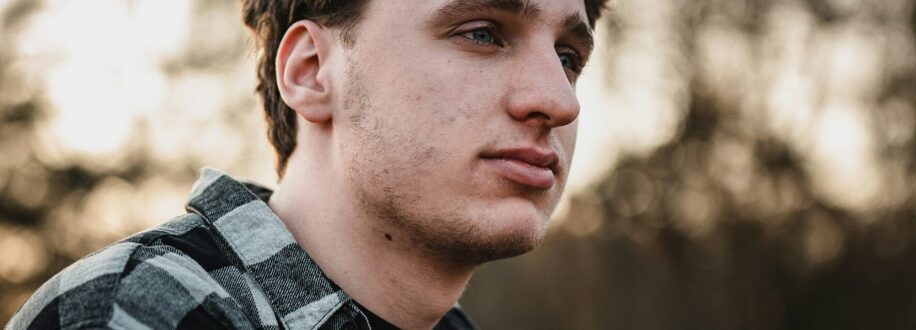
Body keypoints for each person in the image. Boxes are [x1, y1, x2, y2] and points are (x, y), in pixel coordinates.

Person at [7, 0, 608, 328]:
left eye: (567, 56)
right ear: (311, 73)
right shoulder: (145, 311)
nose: (559, 100)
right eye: (482, 33)